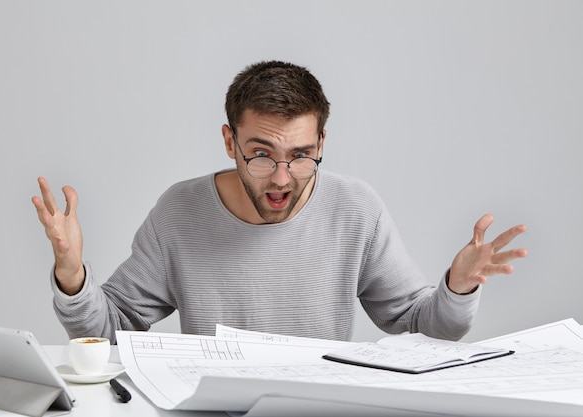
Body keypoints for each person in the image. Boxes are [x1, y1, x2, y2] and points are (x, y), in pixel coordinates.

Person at [32, 60, 527, 343]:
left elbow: (425, 325)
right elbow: (107, 330)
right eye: (262, 155)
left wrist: (458, 289)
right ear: (230, 143)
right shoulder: (179, 212)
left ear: (322, 145)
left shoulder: (355, 207)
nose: (282, 178)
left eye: (302, 155)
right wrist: (72, 273)